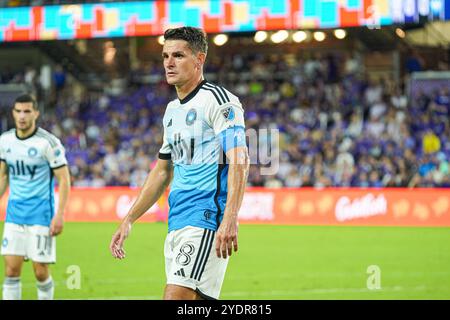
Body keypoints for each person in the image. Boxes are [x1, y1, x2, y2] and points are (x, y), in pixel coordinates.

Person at [109, 27, 249, 300]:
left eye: (178, 55)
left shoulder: (219, 101)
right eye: (165, 56)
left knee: (175, 297)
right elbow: (162, 172)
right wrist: (129, 220)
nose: (168, 63)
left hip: (206, 217)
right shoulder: (172, 110)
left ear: (199, 59)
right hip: (176, 221)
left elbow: (240, 160)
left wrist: (230, 217)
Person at [0, 94, 71, 300]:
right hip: (14, 214)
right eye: (18, 111)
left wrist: (60, 215)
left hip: (41, 214)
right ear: (13, 113)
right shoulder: (5, 141)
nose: (22, 116)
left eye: (27, 111)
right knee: (11, 271)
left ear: (36, 113)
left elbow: (64, 180)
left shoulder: (48, 143)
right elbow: (3, 176)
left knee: (40, 271)